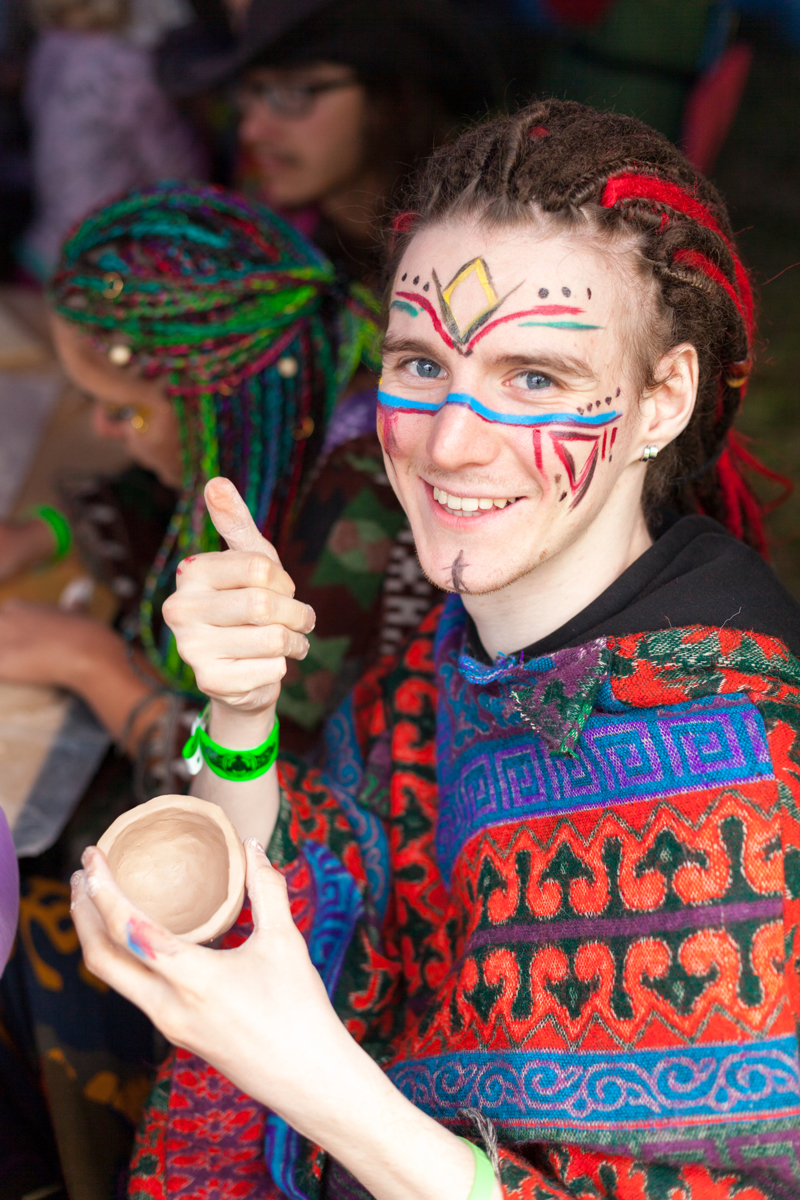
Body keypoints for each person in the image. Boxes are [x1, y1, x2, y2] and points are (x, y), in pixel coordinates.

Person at [75, 99, 800, 1199]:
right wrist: (242, 713)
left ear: (662, 401)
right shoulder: (473, 647)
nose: (449, 443)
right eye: (419, 365)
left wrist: (311, 1081)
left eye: (535, 379)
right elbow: (316, 879)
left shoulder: (738, 798)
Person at [0, 179, 414, 1200]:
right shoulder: (293, 391)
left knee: (37, 940)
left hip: (323, 911)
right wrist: (43, 533)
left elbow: (263, 791)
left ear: (212, 394)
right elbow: (154, 492)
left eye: (124, 408)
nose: (106, 429)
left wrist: (88, 663)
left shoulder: (358, 511)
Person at [156, 0, 502, 283]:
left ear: (388, 99)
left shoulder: (483, 250)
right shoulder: (270, 255)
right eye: (248, 95)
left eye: (293, 92)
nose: (252, 131)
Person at [19, 0, 204, 280]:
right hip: (102, 265)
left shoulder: (49, 48)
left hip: (43, 248)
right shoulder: (128, 65)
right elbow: (177, 172)